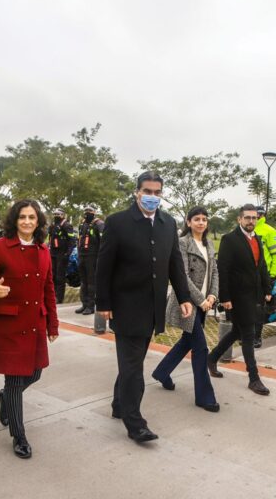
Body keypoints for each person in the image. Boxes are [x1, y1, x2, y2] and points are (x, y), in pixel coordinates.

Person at [96, 171, 192, 443]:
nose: (152, 197)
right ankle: (135, 422)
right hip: (125, 307)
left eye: (157, 193)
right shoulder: (117, 222)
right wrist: (103, 302)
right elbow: (104, 267)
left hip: (153, 308)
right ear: (137, 192)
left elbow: (175, 263)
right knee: (133, 368)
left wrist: (184, 297)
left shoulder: (167, 223)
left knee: (132, 362)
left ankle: (118, 404)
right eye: (147, 192)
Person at [0, 199, 59, 458]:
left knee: (34, 374)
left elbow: (49, 288)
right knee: (14, 380)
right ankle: (19, 436)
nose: (27, 222)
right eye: (22, 217)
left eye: (32, 218)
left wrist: (52, 324)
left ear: (38, 222)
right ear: (14, 220)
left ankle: (4, 398)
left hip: (34, 323)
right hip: (9, 325)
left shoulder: (43, 250)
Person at [152, 206, 220, 412]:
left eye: (204, 219)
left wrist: (212, 295)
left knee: (186, 342)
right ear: (188, 222)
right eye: (196, 219)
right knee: (200, 348)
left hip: (204, 303)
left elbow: (215, 272)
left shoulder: (209, 245)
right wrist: (200, 300)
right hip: (188, 303)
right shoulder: (182, 243)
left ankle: (162, 372)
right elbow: (181, 276)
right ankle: (205, 397)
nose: (201, 222)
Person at [207, 204, 272, 396]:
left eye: (254, 218)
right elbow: (223, 269)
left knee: (237, 331)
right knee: (249, 334)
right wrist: (224, 297)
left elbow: (262, 267)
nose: (251, 221)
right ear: (239, 219)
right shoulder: (230, 239)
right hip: (236, 296)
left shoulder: (257, 239)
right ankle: (254, 378)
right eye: (247, 218)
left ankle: (212, 358)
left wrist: (267, 288)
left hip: (254, 294)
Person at [253, 205, 276, 348]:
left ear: (261, 215)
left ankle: (257, 337)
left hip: (262, 275)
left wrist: (272, 276)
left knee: (258, 307)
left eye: (255, 215)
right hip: (245, 275)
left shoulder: (270, 231)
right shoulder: (244, 229)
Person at [76, 205, 105, 315]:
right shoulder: (83, 224)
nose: (87, 212)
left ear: (94, 212)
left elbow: (104, 242)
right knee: (83, 282)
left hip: (93, 257)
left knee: (91, 282)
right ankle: (84, 304)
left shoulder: (99, 224)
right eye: (86, 210)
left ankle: (91, 306)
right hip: (82, 255)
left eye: (90, 211)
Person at [49, 208, 77, 303]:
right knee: (52, 275)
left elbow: (72, 241)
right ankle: (52, 295)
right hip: (53, 253)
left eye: (59, 214)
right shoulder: (53, 225)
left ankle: (59, 298)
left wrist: (67, 254)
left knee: (60, 277)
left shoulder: (67, 225)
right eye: (55, 214)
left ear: (63, 215)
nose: (57, 216)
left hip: (62, 254)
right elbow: (50, 238)